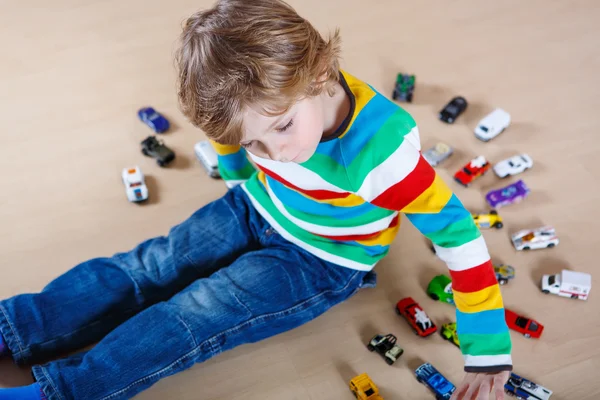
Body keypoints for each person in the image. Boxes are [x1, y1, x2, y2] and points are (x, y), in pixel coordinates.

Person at [0, 0, 512, 399]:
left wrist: (487, 349)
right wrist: (238, 174)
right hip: (257, 204)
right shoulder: (255, 110)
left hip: (321, 259)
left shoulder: (384, 155)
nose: (278, 152)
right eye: (254, 140)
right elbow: (229, 134)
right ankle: (15, 325)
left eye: (282, 128)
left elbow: (458, 235)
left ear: (320, 74)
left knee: (194, 313)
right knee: (147, 265)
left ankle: (63, 390)